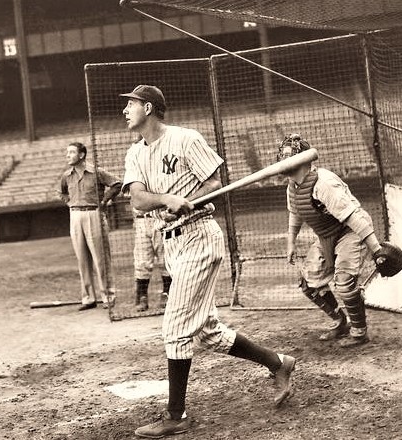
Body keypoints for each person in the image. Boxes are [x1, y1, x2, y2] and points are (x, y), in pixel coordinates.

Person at [120, 84, 296, 438]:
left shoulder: (185, 139)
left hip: (199, 237)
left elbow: (213, 182)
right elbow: (138, 200)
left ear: (149, 108)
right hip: (173, 245)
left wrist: (190, 200)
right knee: (208, 333)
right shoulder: (135, 153)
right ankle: (279, 363)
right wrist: (168, 200)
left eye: (132, 104)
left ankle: (176, 414)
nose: (126, 110)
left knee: (175, 329)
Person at [278, 133, 382, 348]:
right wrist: (291, 243)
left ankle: (359, 330)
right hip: (325, 235)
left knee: (344, 282)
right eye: (281, 156)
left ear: (302, 159)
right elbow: (296, 213)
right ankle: (339, 321)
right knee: (308, 283)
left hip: (349, 231)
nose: (282, 160)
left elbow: (353, 216)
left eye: (287, 156)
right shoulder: (293, 186)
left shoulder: (323, 182)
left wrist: (377, 251)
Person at [59, 141, 122, 311]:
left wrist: (105, 200)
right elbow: (62, 192)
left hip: (94, 213)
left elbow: (117, 184)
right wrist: (70, 203)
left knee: (100, 258)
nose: (68, 155)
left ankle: (108, 297)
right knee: (82, 259)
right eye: (67, 152)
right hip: (75, 215)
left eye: (71, 152)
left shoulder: (96, 172)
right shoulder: (66, 175)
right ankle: (88, 298)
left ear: (81, 155)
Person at [132, 207, 172, 312]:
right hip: (141, 219)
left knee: (165, 259)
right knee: (142, 261)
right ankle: (142, 296)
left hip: (160, 218)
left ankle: (167, 293)